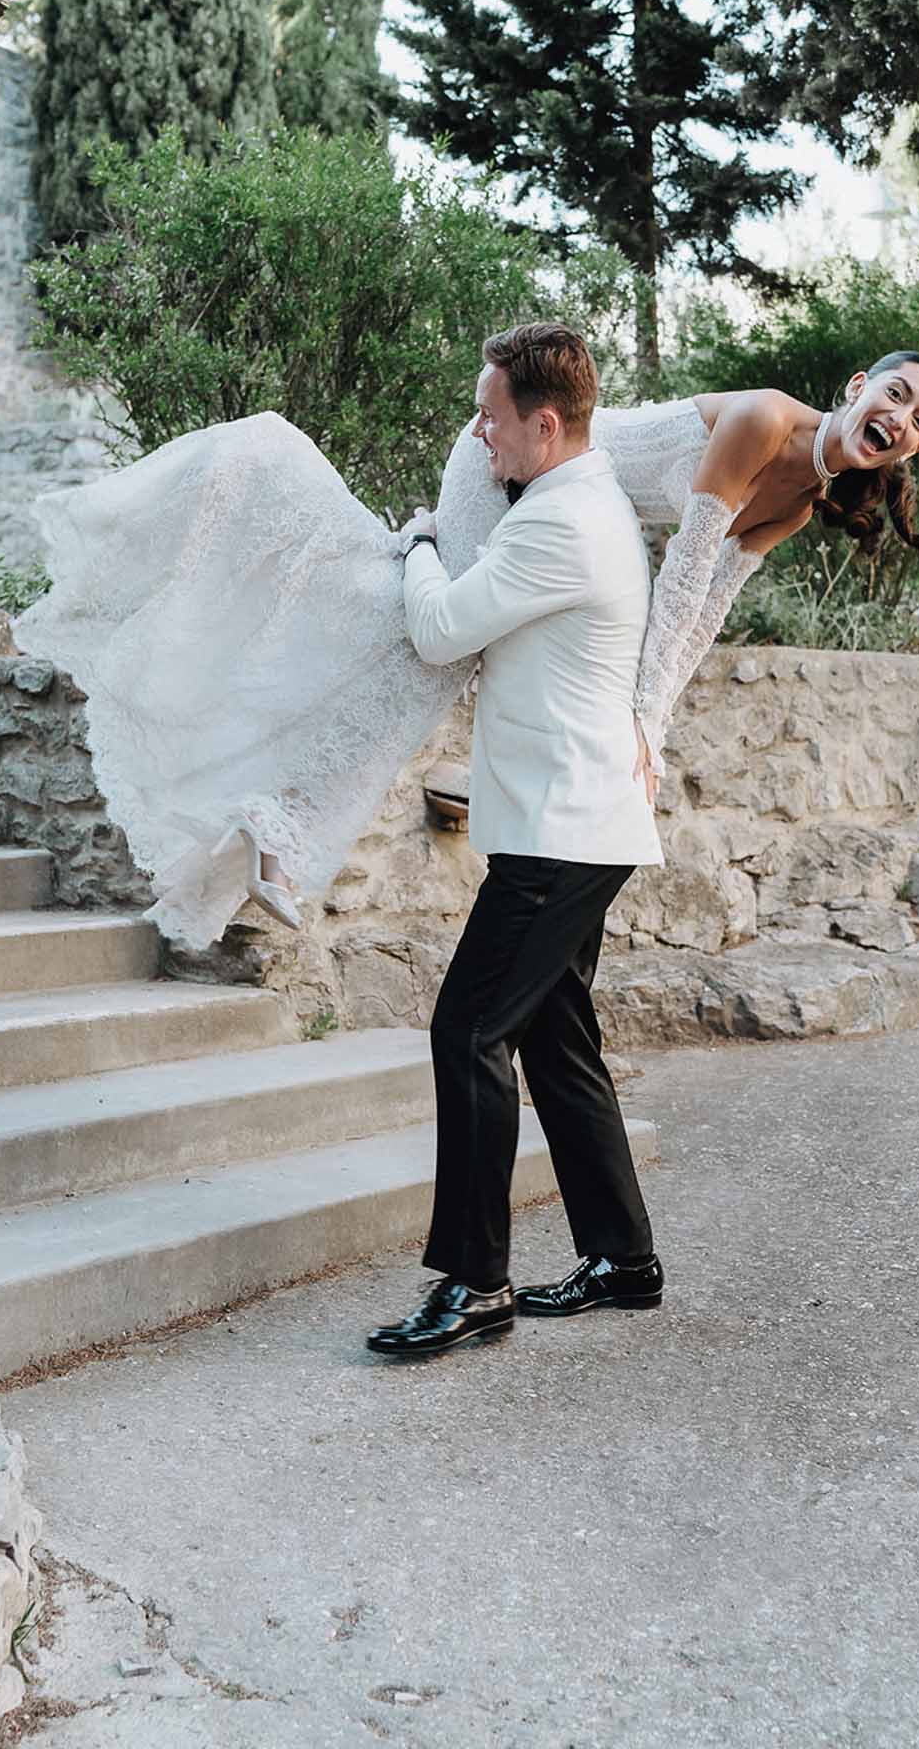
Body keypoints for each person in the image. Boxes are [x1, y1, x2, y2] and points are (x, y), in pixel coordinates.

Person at [14, 340, 919, 956]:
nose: (902, 421)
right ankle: (279, 795)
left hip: (561, 509)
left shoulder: (802, 501)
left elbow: (702, 616)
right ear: (858, 386)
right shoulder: (761, 423)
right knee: (439, 640)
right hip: (510, 466)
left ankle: (274, 821)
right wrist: (641, 716)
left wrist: (652, 736)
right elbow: (681, 572)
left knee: (424, 637)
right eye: (897, 395)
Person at [366, 324, 663, 1357]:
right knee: (552, 1035)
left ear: (545, 423)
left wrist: (416, 547)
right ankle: (623, 1257)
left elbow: (441, 627)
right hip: (578, 821)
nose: (479, 434)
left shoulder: (560, 525)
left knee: (468, 1031)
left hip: (561, 833)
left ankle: (474, 1280)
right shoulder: (584, 499)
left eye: (491, 417)